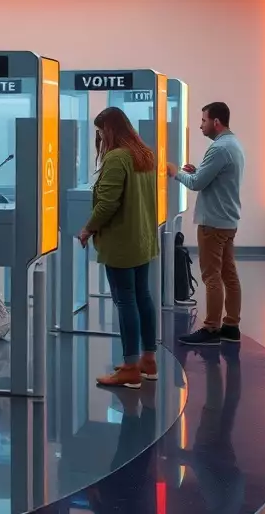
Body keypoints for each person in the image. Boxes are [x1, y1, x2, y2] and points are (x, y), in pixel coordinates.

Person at [77, 107, 160, 388]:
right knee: (143, 297)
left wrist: (89, 228)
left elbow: (108, 203)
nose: (99, 137)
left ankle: (129, 367)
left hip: (122, 242)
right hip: (142, 239)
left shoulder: (117, 158)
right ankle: (148, 360)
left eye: (101, 132)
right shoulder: (144, 155)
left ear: (109, 130)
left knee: (125, 301)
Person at [168, 102, 245, 346]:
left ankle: (211, 328)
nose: (201, 125)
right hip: (227, 220)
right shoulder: (232, 144)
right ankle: (231, 326)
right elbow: (212, 177)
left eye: (203, 121)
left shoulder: (219, 148)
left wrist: (174, 172)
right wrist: (198, 170)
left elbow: (196, 184)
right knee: (228, 274)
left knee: (211, 276)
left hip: (212, 223)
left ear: (216, 122)